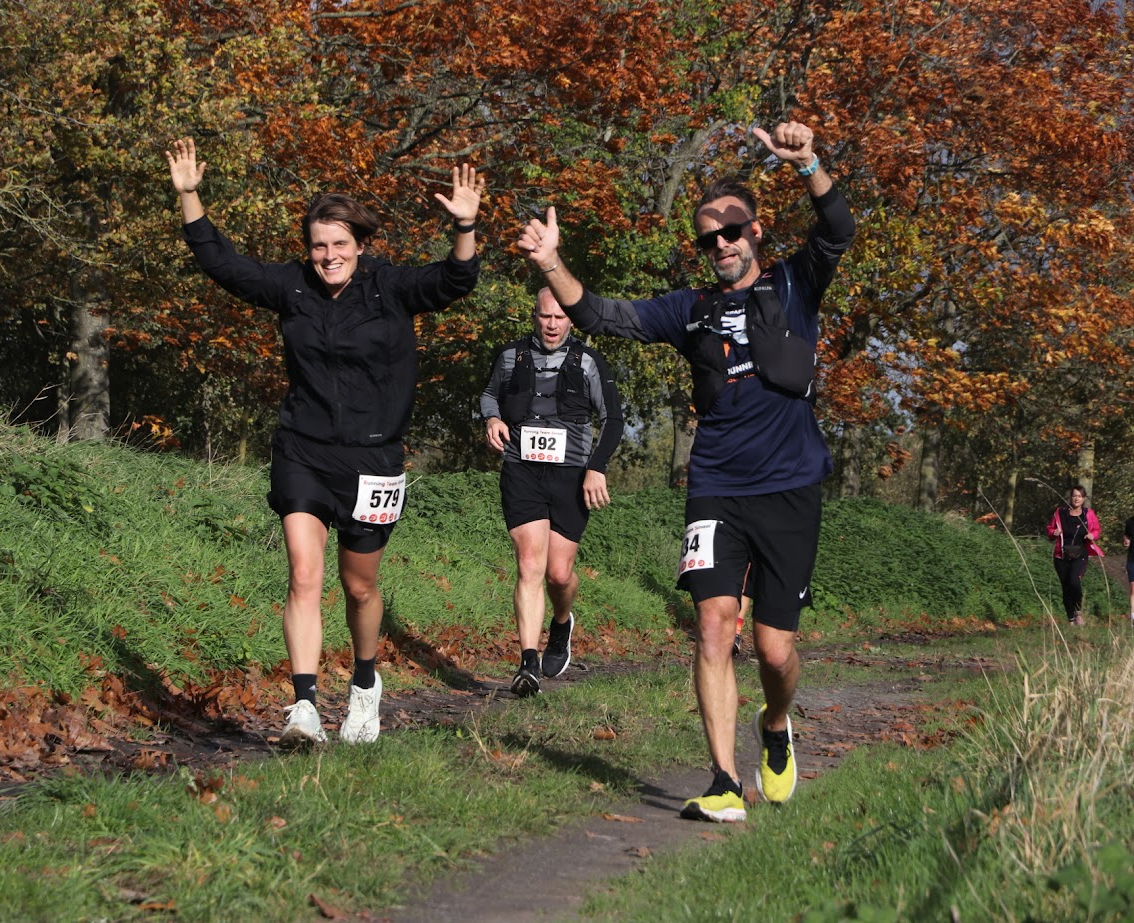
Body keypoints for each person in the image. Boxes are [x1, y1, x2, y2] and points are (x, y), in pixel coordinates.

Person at [517, 120, 855, 823]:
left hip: (790, 486)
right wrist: (551, 262)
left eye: (731, 232)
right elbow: (599, 315)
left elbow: (838, 227)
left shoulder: (795, 282)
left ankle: (775, 723)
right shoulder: (689, 308)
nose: (721, 245)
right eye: (708, 239)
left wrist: (809, 164)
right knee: (712, 626)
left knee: (774, 650)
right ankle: (724, 781)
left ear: (755, 231)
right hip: (715, 488)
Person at [166, 137, 484, 747]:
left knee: (359, 585)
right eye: (318, 245)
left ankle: (365, 685)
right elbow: (223, 264)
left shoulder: (390, 287)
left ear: (360, 246)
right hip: (303, 449)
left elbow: (454, 280)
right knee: (303, 574)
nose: (329, 256)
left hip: (374, 458)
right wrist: (190, 196)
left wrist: (465, 228)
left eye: (340, 244)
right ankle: (305, 707)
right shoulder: (292, 286)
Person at [480, 288, 624, 697]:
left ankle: (561, 623)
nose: (552, 325)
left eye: (560, 317)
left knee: (558, 575)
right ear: (535, 316)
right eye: (545, 316)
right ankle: (528, 664)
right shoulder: (510, 356)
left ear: (571, 320)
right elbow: (490, 395)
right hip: (521, 470)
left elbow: (613, 418)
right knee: (530, 563)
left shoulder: (589, 361)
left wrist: (596, 467)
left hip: (571, 477)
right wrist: (492, 420)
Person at [1045, 484, 1102, 626]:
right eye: (1074, 496)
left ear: (1084, 499)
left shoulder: (1088, 514)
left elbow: (1097, 530)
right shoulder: (1060, 513)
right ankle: (1070, 619)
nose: (1077, 498)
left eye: (1080, 496)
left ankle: (1078, 612)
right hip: (1061, 556)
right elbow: (1050, 529)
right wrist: (1053, 532)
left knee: (1074, 582)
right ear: (1070, 497)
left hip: (1080, 554)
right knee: (1066, 587)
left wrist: (1092, 535)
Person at [1124, 514, 1134, 622]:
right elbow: (1126, 536)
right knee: (1133, 588)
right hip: (1132, 559)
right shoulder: (1130, 522)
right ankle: (1133, 616)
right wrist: (1126, 541)